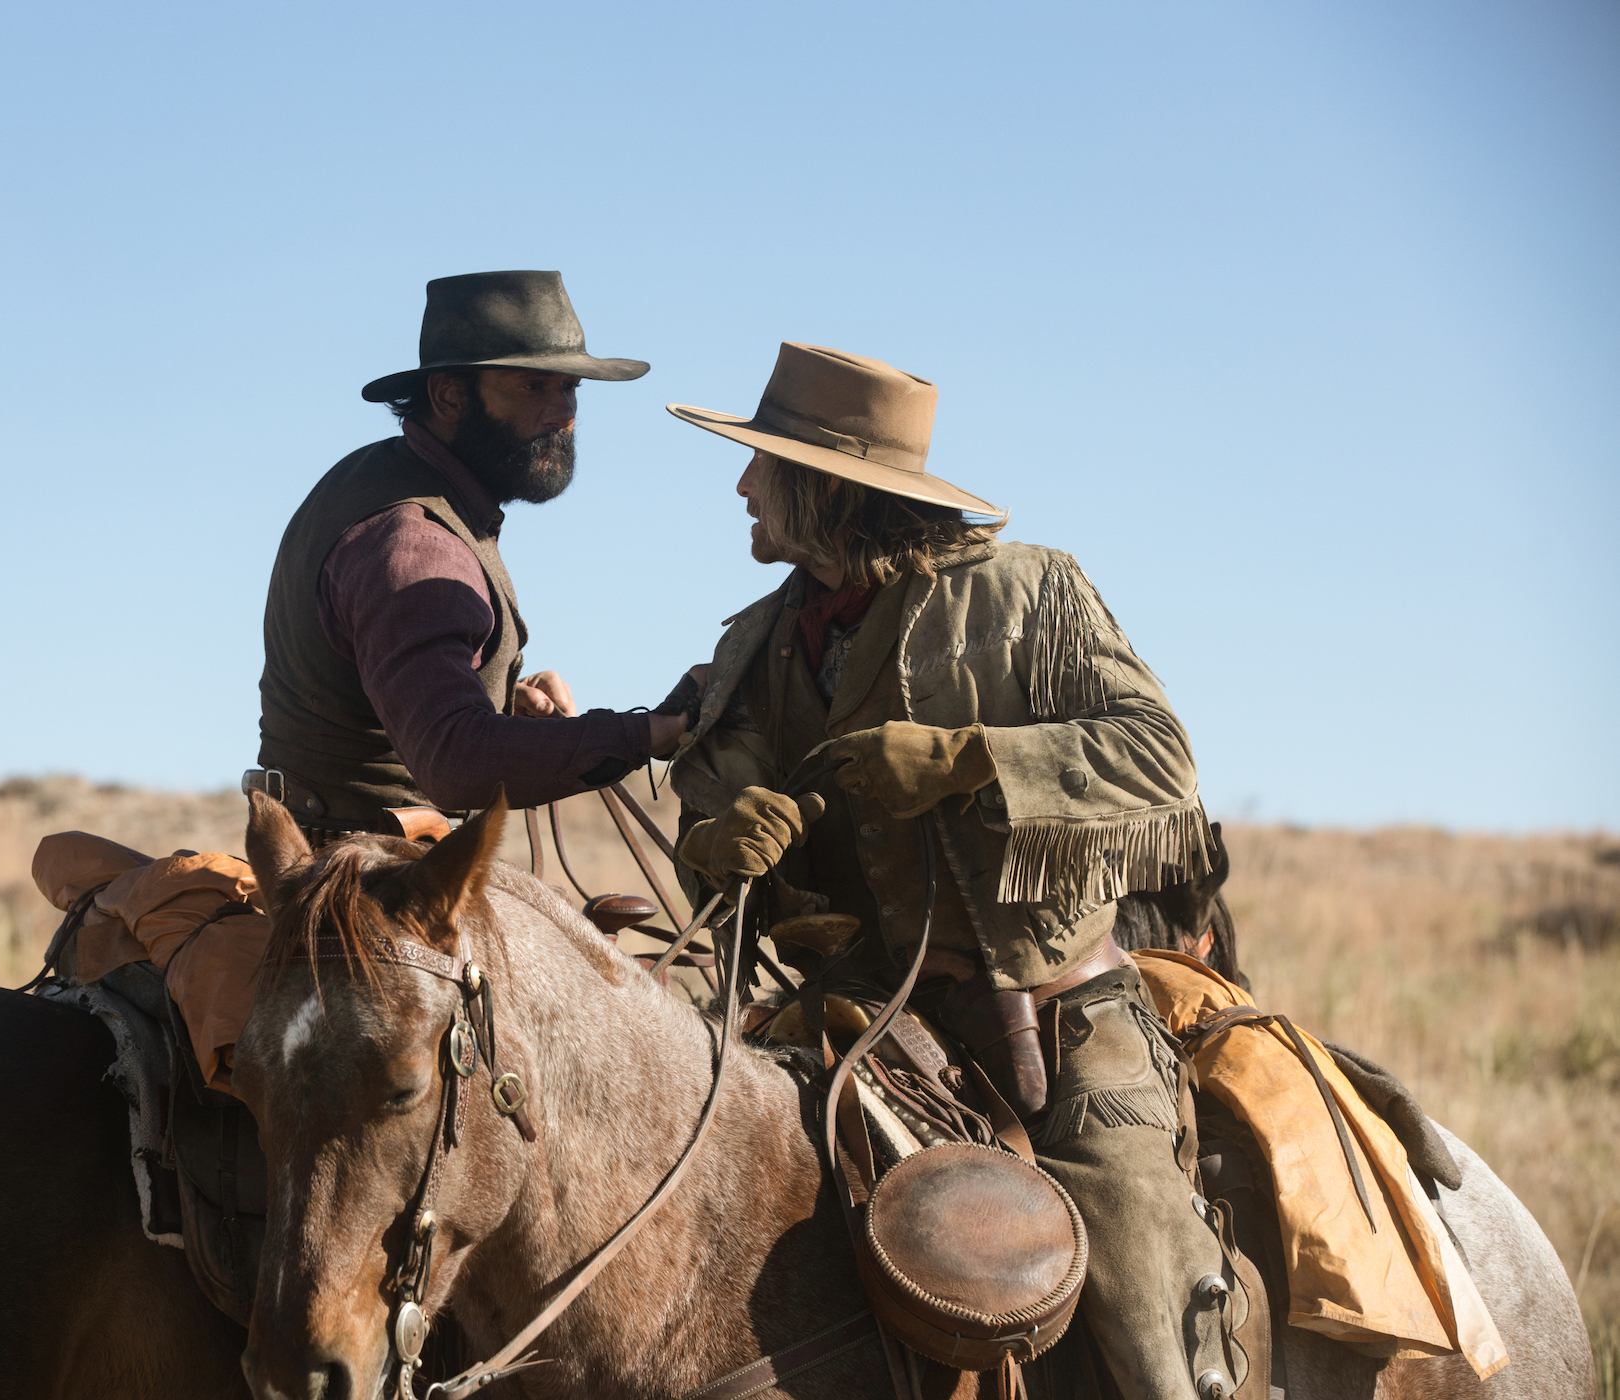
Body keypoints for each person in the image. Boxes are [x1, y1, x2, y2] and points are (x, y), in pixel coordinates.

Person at [665, 342, 1229, 1397]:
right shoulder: (754, 647)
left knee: (1139, 1291)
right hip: (858, 1012)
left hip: (1059, 1021)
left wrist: (974, 758)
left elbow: (1163, 759)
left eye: (761, 465)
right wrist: (723, 840)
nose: (741, 485)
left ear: (824, 485)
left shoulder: (1032, 594)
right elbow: (709, 807)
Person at [252, 270, 693, 842]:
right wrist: (648, 734)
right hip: (362, 876)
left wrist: (501, 697)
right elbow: (455, 760)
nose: (564, 413)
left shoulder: (385, 476)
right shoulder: (416, 542)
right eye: (533, 387)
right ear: (450, 396)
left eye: (570, 387)